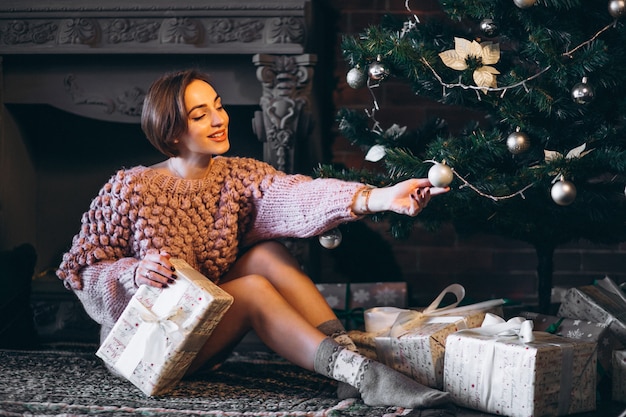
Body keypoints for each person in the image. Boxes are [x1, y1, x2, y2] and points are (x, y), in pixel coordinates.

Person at [56, 69, 451, 410]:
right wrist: (134, 273)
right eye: (200, 114)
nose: (218, 119)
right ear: (172, 132)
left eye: (218, 105)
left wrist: (380, 198)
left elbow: (299, 195)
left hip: (204, 328)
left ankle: (350, 363)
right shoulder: (130, 187)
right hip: (147, 349)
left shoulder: (237, 176)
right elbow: (82, 269)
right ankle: (365, 375)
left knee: (267, 255)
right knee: (252, 290)